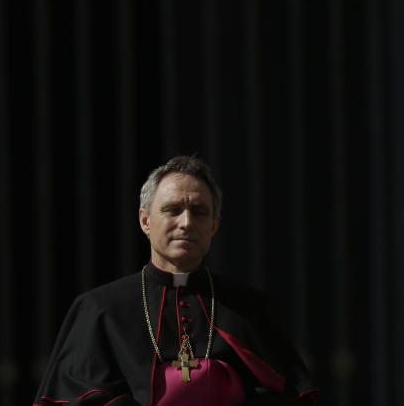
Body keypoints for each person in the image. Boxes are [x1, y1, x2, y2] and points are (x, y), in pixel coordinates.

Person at [33, 155, 318, 405]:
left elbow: (283, 395)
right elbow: (81, 396)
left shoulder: (251, 308)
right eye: (172, 210)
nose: (186, 222)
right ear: (145, 221)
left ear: (214, 224)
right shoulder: (99, 308)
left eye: (199, 211)